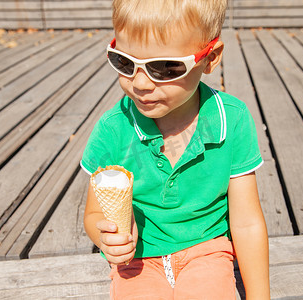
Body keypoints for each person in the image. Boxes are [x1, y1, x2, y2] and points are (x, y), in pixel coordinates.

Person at [81, 0, 270, 299]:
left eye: (165, 67)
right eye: (124, 62)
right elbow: (93, 213)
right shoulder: (113, 128)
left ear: (210, 58)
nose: (141, 83)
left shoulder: (232, 119)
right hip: (139, 257)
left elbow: (246, 222)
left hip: (207, 249)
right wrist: (106, 238)